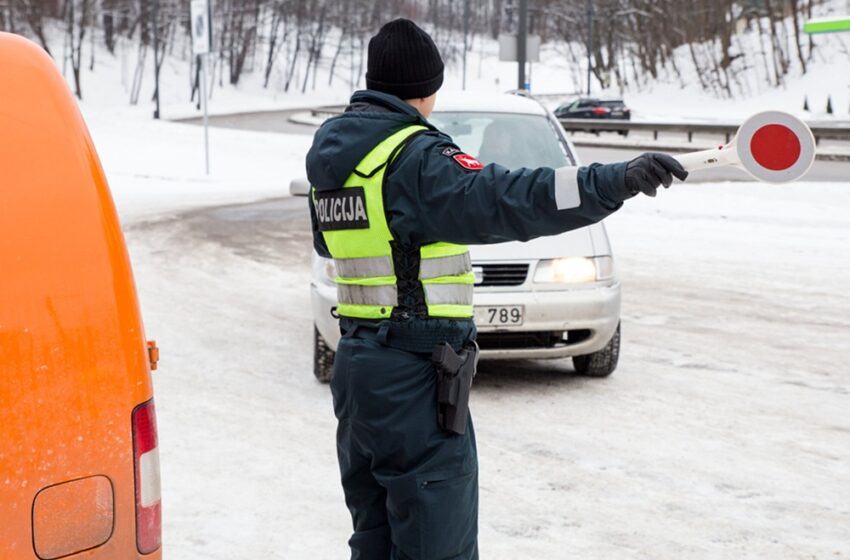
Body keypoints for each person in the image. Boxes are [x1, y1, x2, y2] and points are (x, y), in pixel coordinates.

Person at [305, 18, 687, 560]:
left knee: (376, 537)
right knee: (438, 543)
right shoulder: (411, 157)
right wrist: (609, 182)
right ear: (428, 87)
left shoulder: (335, 158)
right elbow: (505, 198)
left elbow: (331, 245)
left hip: (360, 367)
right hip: (416, 374)